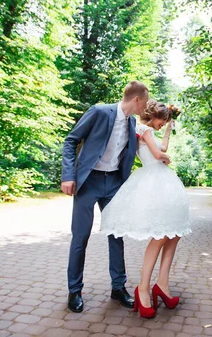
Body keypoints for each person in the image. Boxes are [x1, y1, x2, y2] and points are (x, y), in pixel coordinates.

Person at [61, 81, 150, 313]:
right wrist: (68, 176)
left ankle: (118, 288)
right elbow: (71, 140)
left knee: (116, 235)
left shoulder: (132, 122)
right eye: (146, 101)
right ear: (137, 100)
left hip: (113, 184)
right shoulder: (99, 111)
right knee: (80, 237)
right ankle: (74, 291)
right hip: (88, 182)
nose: (146, 106)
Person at [100, 100, 191, 318]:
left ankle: (162, 285)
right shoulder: (143, 128)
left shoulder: (152, 130)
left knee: (174, 233)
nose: (163, 124)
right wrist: (165, 159)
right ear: (154, 116)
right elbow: (159, 155)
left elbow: (163, 148)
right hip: (153, 182)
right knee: (159, 236)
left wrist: (168, 131)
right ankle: (143, 288)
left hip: (162, 180)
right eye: (163, 121)